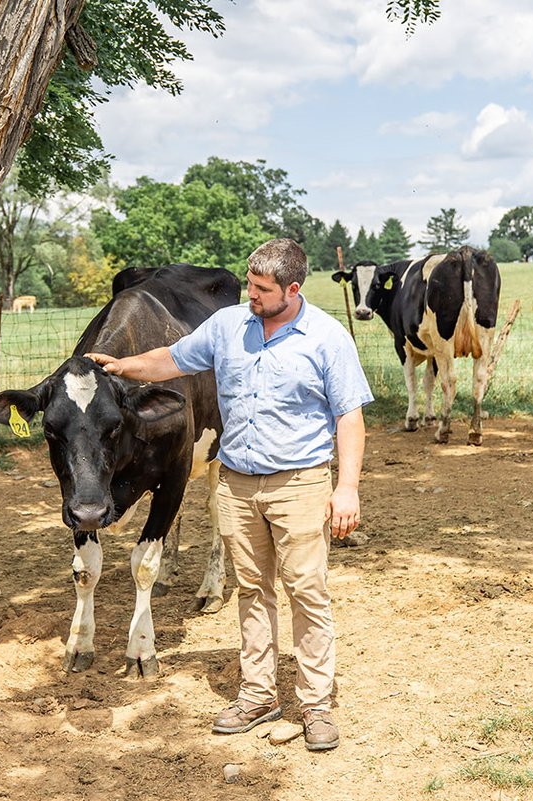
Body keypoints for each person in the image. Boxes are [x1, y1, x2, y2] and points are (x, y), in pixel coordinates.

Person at [87, 238, 373, 752]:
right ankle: (259, 694)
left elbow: (349, 416)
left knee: (307, 592)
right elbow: (170, 361)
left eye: (261, 289)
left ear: (292, 288)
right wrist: (121, 367)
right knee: (252, 590)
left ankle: (316, 705)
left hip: (300, 484)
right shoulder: (227, 326)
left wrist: (347, 487)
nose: (250, 295)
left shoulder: (328, 338)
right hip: (237, 484)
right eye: (249, 284)